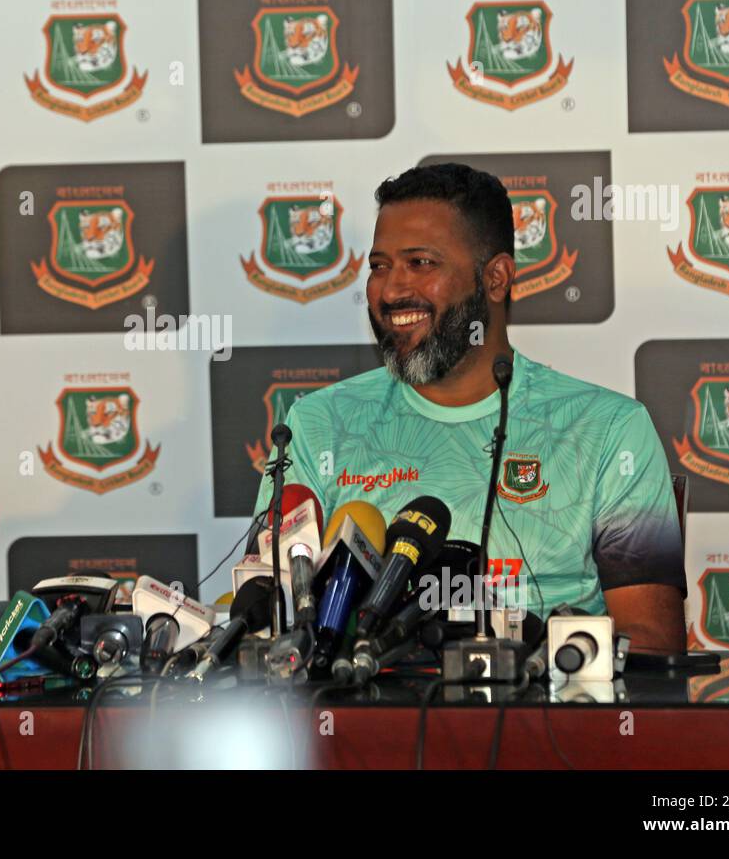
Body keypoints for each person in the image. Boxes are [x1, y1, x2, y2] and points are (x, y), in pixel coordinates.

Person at [255, 163, 685, 652]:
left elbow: (653, 644)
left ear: (496, 277)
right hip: (364, 717)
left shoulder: (609, 430)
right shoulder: (315, 427)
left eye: (420, 263)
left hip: (543, 721)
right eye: (379, 266)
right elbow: (275, 617)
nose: (391, 290)